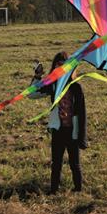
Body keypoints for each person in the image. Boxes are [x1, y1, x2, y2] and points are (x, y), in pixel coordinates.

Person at [30, 52, 87, 193]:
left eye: (63, 64)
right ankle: (53, 191)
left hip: (72, 131)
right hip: (58, 130)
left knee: (75, 164)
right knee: (56, 164)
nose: (60, 67)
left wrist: (82, 137)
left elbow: (82, 113)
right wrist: (37, 77)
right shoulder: (52, 85)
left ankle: (78, 190)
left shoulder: (76, 87)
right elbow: (32, 94)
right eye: (58, 64)